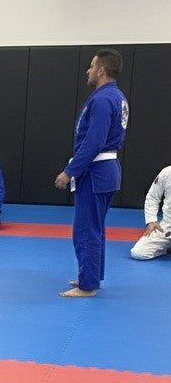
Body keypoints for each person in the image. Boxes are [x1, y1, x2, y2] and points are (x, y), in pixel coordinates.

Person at [55, 48, 129, 297]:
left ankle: (88, 285)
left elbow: (94, 141)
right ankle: (91, 276)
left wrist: (69, 171)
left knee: (87, 229)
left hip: (96, 172)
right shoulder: (115, 97)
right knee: (95, 228)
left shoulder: (102, 99)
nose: (87, 70)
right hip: (105, 171)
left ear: (101, 70)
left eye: (91, 66)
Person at [129, 167, 171, 260]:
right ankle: (166, 249)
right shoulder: (167, 172)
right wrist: (151, 220)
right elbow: (152, 197)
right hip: (168, 227)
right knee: (138, 253)